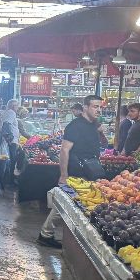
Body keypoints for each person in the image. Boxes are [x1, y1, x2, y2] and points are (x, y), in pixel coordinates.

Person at [39, 95, 105, 248]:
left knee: (77, 204)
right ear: (85, 107)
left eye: (100, 107)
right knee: (66, 203)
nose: (99, 110)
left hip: (91, 171)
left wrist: (101, 132)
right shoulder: (75, 126)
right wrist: (64, 175)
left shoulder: (94, 125)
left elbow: (98, 144)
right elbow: (64, 150)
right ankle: (45, 233)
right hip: (76, 172)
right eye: (95, 106)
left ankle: (48, 233)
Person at [1, 99, 22, 187]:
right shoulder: (11, 113)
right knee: (11, 161)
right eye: (17, 106)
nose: (17, 108)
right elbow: (6, 124)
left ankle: (7, 180)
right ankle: (9, 181)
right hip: (11, 142)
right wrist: (10, 138)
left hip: (10, 141)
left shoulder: (7, 112)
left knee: (8, 161)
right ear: (13, 106)